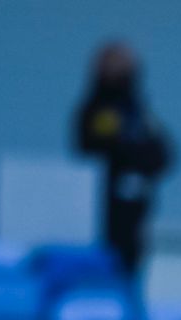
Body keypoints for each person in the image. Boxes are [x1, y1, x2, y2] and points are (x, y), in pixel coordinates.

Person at [71, 41, 175, 275]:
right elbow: (107, 151)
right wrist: (136, 153)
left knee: (129, 272)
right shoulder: (98, 111)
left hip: (136, 217)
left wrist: (140, 154)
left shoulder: (138, 112)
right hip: (104, 215)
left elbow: (164, 155)